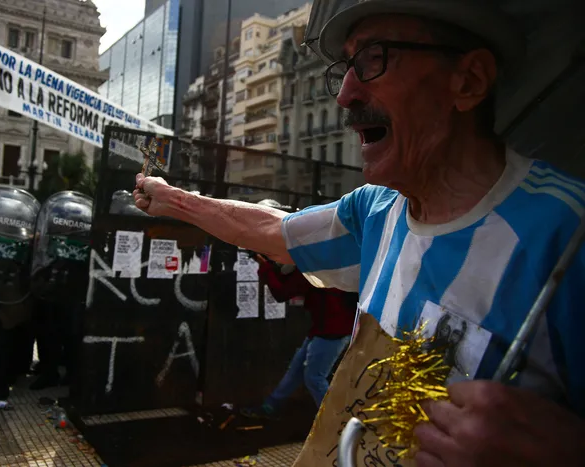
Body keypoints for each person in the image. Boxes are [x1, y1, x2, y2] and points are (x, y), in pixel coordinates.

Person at [134, 1, 585, 465]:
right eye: (347, 67)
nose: (345, 94)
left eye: (374, 58)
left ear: (467, 80)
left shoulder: (569, 234)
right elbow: (273, 229)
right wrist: (175, 200)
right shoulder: (375, 211)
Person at [240, 254, 355, 419]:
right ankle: (270, 407)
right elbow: (288, 282)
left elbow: (281, 292)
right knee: (296, 370)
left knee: (314, 377)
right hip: (327, 328)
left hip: (332, 331)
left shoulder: (310, 268)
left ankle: (334, 420)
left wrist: (265, 267)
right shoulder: (317, 261)